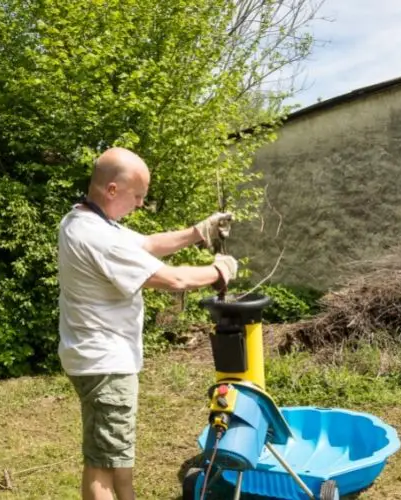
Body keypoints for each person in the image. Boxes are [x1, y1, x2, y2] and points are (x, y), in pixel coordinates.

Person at [57, 147, 238, 500]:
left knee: (117, 455)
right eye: (137, 196)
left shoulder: (90, 221)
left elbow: (148, 244)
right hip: (103, 361)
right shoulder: (96, 235)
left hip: (102, 358)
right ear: (112, 190)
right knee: (101, 466)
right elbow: (172, 280)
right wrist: (219, 272)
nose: (140, 204)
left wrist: (197, 232)